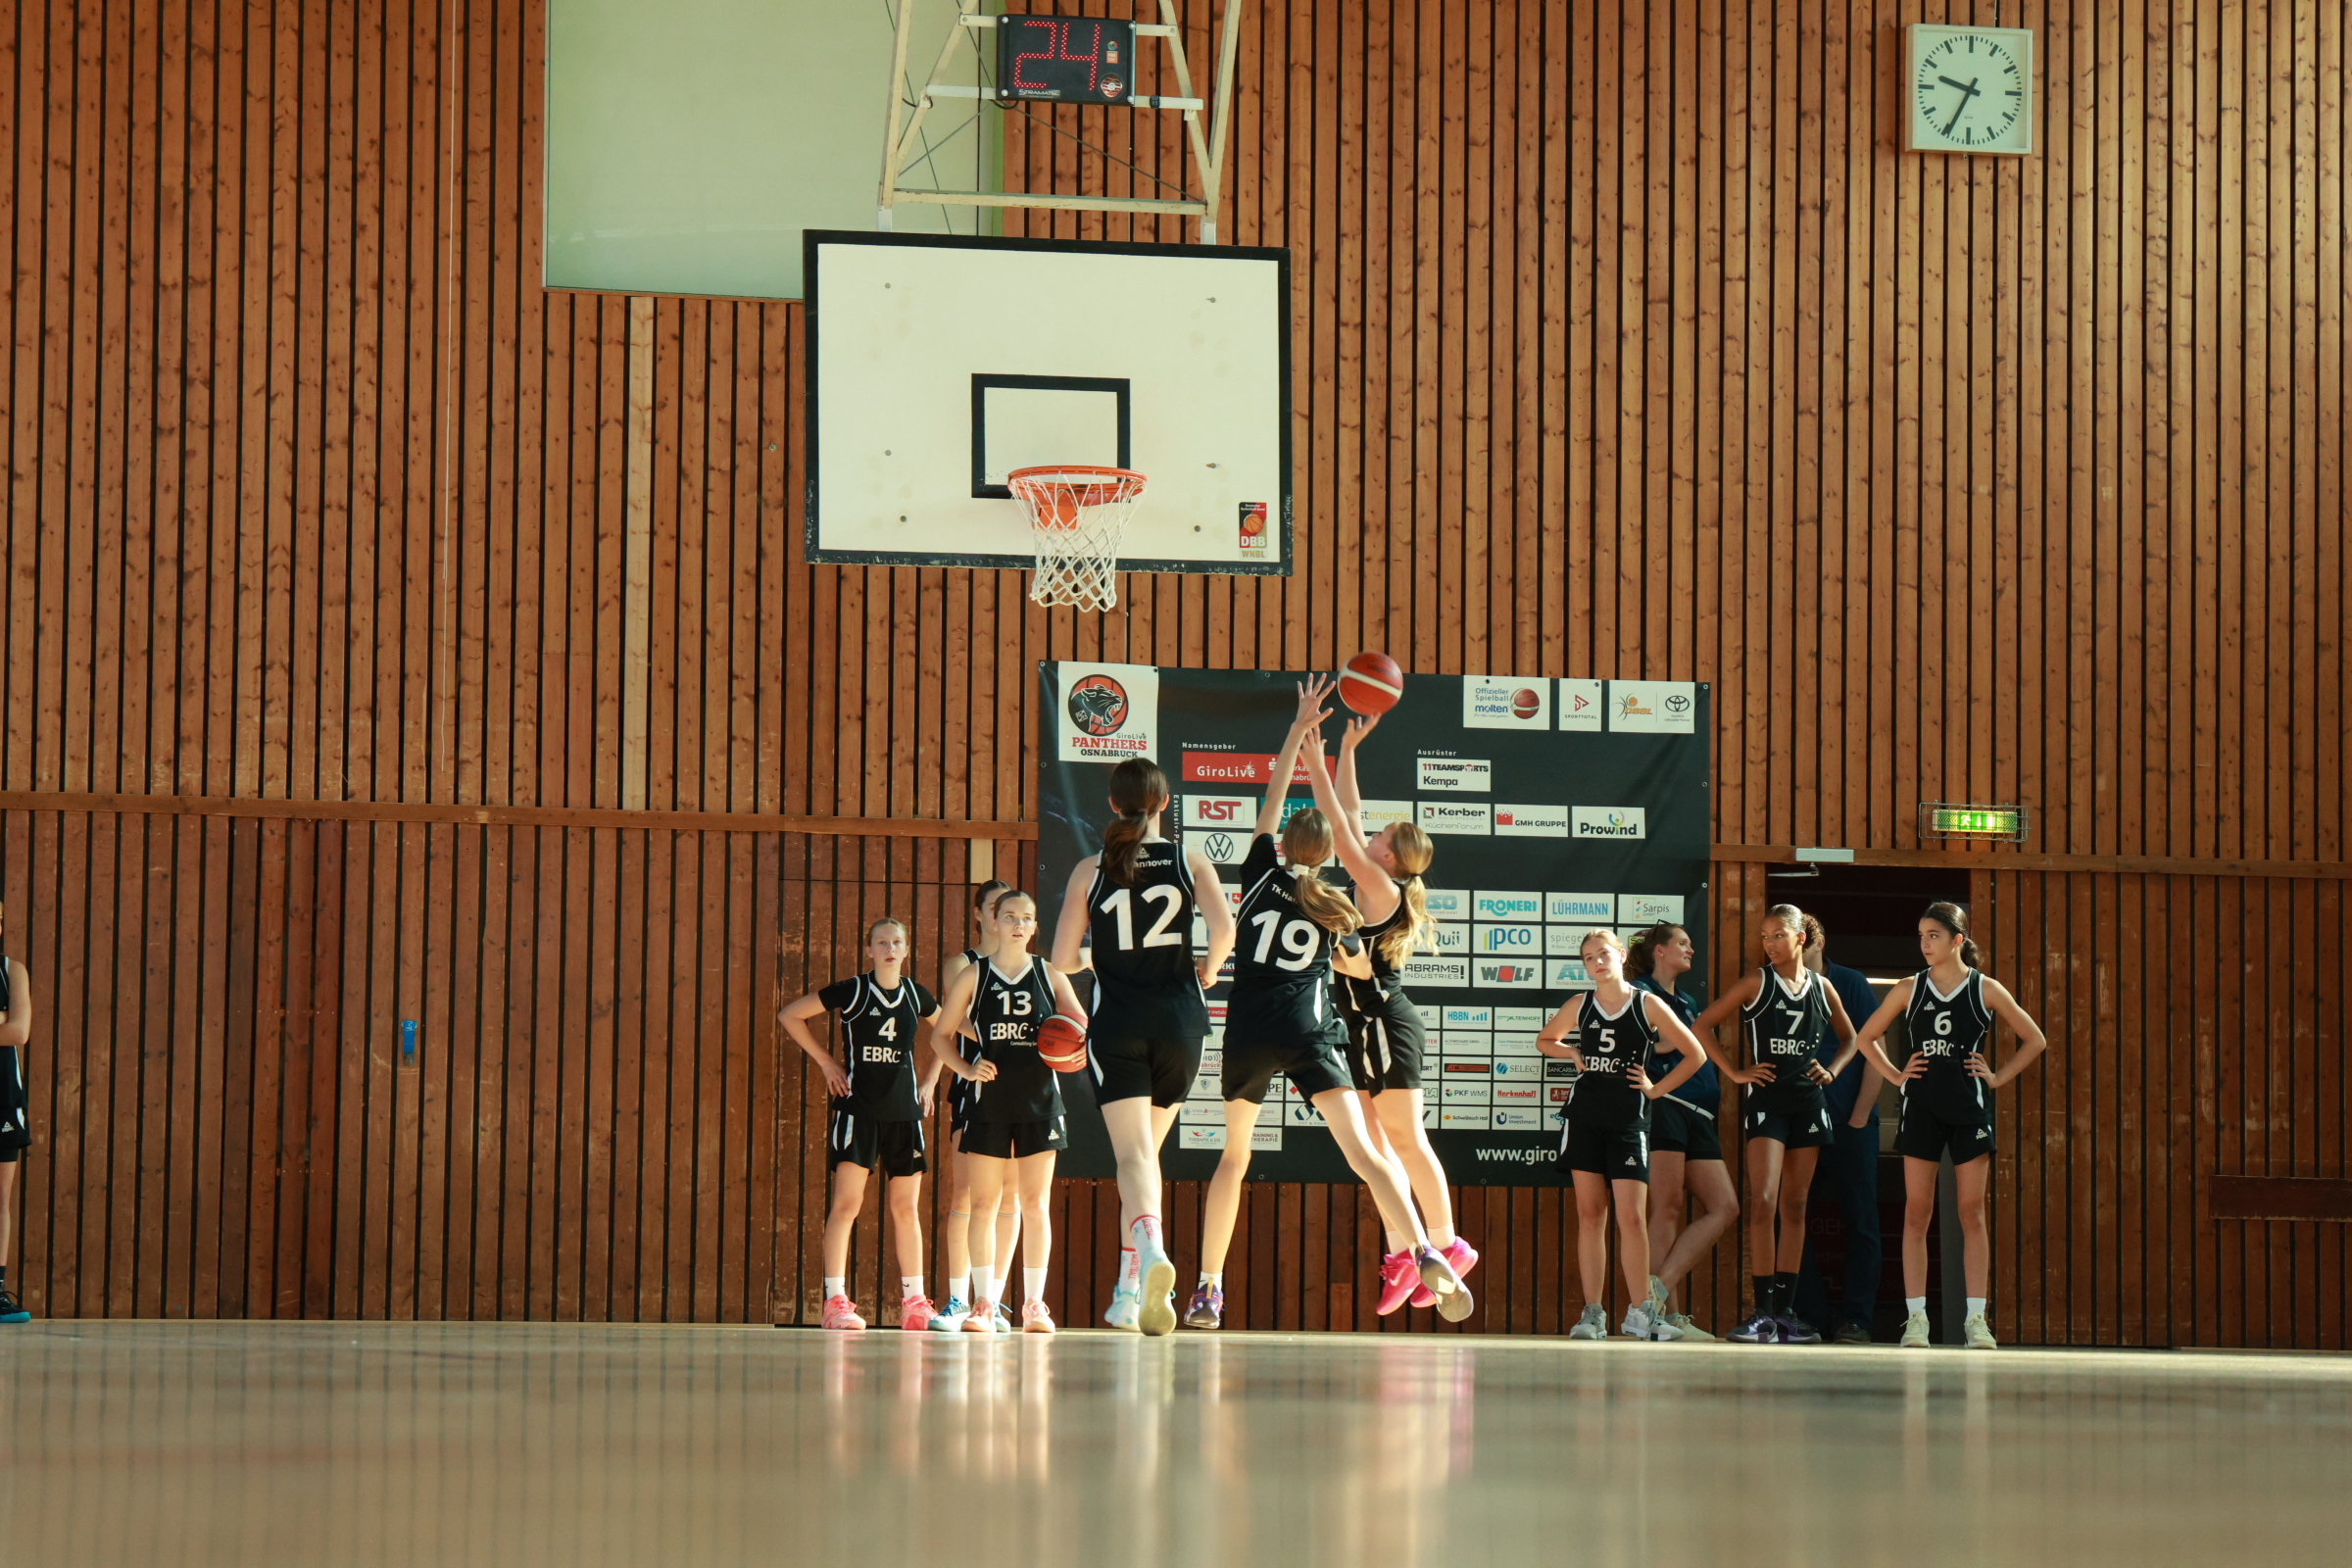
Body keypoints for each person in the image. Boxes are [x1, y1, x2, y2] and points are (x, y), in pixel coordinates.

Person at [1187, 677, 1468, 1327]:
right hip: (1311, 1033)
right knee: (1367, 1153)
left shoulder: (1258, 872)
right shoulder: (1339, 906)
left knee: (1234, 1157)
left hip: (1250, 1030)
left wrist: (1298, 733)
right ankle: (1423, 1247)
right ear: (1326, 857)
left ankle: (1208, 1289)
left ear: (1283, 846)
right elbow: (1354, 958)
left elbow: (1276, 797)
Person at [1050, 757, 1236, 1336]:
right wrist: (1209, 968)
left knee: (1133, 1159)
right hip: (1181, 1024)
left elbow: (1061, 960)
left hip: (1119, 1025)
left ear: (1113, 805)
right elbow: (1225, 930)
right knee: (1146, 1158)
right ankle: (1128, 1290)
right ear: (1164, 803)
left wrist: (1103, 957)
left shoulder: (1091, 869)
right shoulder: (1189, 859)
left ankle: (1148, 1255)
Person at [1309, 709, 1480, 1311]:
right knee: (1377, 1149)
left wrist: (1312, 761)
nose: (1370, 835)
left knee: (1406, 1140)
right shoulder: (1375, 881)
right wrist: (1348, 749)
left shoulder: (1380, 888)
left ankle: (1447, 1242)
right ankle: (1407, 1254)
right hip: (1362, 1025)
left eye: (1380, 837)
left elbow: (1337, 822)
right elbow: (1351, 814)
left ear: (1388, 857)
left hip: (1384, 1022)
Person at [1851, 902, 2047, 1349]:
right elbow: (1865, 1037)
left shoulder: (1985, 988)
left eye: (1934, 935)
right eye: (1921, 935)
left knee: (1971, 1212)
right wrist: (1897, 1076)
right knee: (1916, 1213)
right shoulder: (1908, 987)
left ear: (1958, 939)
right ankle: (1916, 1319)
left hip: (1967, 1110)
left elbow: (2034, 1038)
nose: (1924, 943)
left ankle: (1977, 1320)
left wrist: (1997, 1076)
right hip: (1921, 1107)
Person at [1688, 903, 1861, 1345]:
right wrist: (1735, 1072)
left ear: (1801, 937)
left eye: (1778, 935)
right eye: (1765, 936)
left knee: (1796, 1206)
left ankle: (1786, 1312)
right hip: (1768, 1102)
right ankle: (1761, 1311)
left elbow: (1851, 1038)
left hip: (1808, 1103)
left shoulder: (1823, 987)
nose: (1769, 944)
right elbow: (1702, 1026)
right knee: (1764, 1200)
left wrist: (1833, 1070)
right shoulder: (1756, 982)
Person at [928, 890, 1087, 1335]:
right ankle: (983, 1304)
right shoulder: (974, 975)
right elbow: (940, 1035)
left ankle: (1034, 1304)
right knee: (983, 1203)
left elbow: (1080, 1030)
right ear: (993, 922)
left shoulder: (1050, 974)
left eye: (1027, 918)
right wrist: (966, 1068)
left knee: (1034, 1204)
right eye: (1010, 916)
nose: (1018, 924)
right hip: (989, 1102)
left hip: (1040, 1101)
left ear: (1035, 927)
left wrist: (1076, 1052)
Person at [1538, 929, 1709, 1339]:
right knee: (1591, 1216)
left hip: (1630, 1121)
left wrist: (1656, 1089)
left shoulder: (1646, 1003)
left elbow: (1696, 1054)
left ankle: (1640, 1313)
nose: (1597, 962)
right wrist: (1571, 1051)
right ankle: (1592, 1315)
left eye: (1603, 954)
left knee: (1632, 1217)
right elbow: (1545, 1040)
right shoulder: (1580, 1004)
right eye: (1588, 958)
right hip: (1585, 1117)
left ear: (1620, 956)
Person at [779, 916, 945, 1331]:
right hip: (859, 1112)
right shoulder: (853, 990)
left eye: (897, 942)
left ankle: (914, 1303)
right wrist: (826, 1062)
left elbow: (950, 1032)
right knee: (847, 1205)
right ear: (869, 949)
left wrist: (930, 1080)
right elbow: (790, 1015)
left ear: (906, 950)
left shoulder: (916, 994)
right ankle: (835, 1302)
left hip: (904, 1114)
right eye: (881, 942)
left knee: (906, 1209)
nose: (890, 949)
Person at [1629, 922, 1737, 1341]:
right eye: (1683, 944)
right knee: (1668, 1207)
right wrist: (1673, 1042)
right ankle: (1662, 1318)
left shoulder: (1688, 1001)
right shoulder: (1640, 993)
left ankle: (1654, 1295)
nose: (1691, 950)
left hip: (1700, 1113)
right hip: (1666, 1105)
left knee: (1725, 1206)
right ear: (1659, 951)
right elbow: (1641, 1045)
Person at [1790, 917, 1889, 1344]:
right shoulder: (1779, 986)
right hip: (1800, 1125)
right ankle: (1809, 1316)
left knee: (1862, 1221)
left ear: (1818, 943)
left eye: (1800, 943)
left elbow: (1875, 1048)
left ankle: (1857, 1320)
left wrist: (1860, 1116)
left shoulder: (1849, 982)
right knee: (1789, 1218)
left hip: (1851, 1123)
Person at [934, 880, 1022, 1333]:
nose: (1001, 914)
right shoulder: (963, 965)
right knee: (966, 1194)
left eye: (1010, 909)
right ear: (980, 914)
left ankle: (993, 1299)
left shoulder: (1030, 968)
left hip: (1021, 1087)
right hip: (976, 1082)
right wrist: (1005, 1035)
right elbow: (958, 1021)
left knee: (1012, 1197)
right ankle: (957, 1299)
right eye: (994, 907)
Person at [0, 911, 30, 1326]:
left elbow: (19, 1032)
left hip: (3, 1101)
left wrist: (9, 1022)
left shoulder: (12, 971)